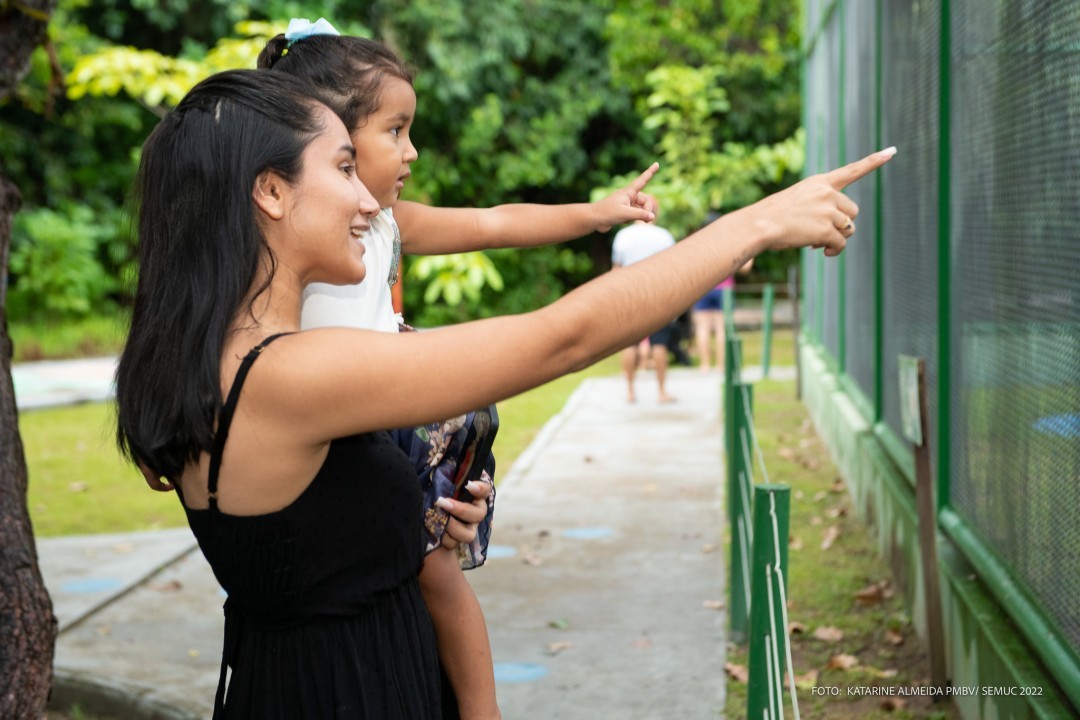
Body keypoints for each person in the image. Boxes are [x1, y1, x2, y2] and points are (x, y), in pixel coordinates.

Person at [115, 67, 890, 718]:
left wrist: (418, 511)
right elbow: (564, 336)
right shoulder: (288, 375)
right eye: (344, 167)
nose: (367, 200)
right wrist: (755, 223)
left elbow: (319, 540)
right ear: (271, 194)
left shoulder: (218, 363)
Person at [256, 21, 659, 718]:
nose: (411, 151)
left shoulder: (385, 224)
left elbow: (495, 222)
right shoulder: (282, 245)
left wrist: (596, 214)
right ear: (330, 140)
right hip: (362, 432)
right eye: (396, 132)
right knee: (423, 580)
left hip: (407, 427)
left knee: (436, 574)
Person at [610, 219, 679, 403]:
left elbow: (616, 269)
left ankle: (630, 392)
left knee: (628, 344)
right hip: (658, 294)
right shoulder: (664, 235)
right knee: (659, 344)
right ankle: (662, 392)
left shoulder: (622, 236)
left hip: (629, 294)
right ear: (654, 215)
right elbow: (673, 269)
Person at [691, 212, 754, 373]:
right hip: (724, 290)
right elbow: (745, 268)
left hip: (703, 288)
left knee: (702, 328)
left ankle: (704, 365)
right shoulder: (729, 242)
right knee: (721, 328)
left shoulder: (698, 243)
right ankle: (720, 365)